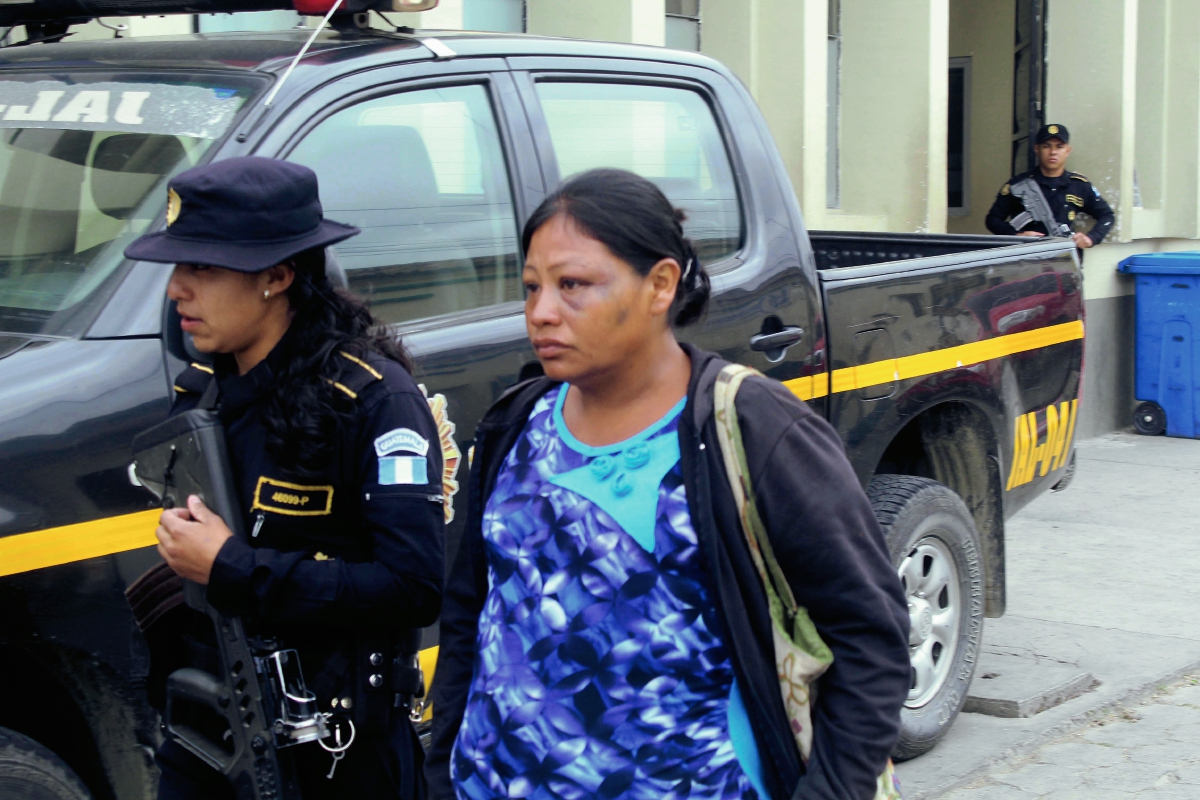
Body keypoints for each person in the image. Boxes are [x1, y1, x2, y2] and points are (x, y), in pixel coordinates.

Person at [425, 169, 910, 800]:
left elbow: (870, 641)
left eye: (574, 285)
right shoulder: (517, 423)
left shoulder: (752, 431)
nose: (541, 312)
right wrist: (443, 766)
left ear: (660, 285)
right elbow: (471, 610)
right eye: (532, 287)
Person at [124, 157, 444, 799]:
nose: (176, 290)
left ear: (277, 275)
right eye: (176, 267)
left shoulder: (377, 403)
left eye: (202, 267)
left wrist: (234, 567)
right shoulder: (205, 393)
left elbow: (412, 586)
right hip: (212, 735)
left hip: (333, 756)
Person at [986, 123, 1114, 249]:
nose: (1053, 152)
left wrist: (1091, 238)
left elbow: (1107, 215)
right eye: (1047, 146)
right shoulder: (1019, 184)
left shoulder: (1079, 185)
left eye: (1059, 147)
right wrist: (1017, 236)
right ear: (1037, 149)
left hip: (1064, 260)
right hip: (1026, 259)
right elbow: (993, 219)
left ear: (1067, 151)